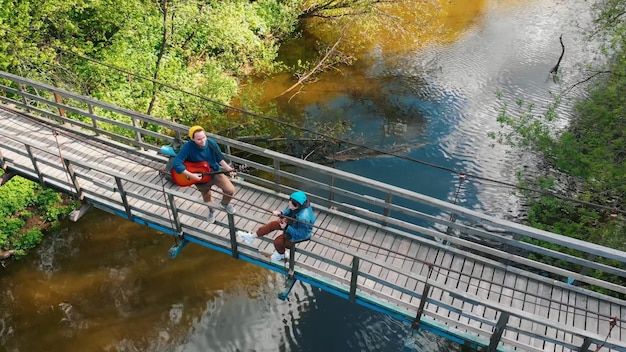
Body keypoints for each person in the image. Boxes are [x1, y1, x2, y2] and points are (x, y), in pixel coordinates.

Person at [172, 125, 236, 223]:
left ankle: (225, 204)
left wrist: (228, 169)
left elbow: (219, 158)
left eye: (204, 137)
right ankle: (211, 210)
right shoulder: (188, 147)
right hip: (199, 177)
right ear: (192, 139)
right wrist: (191, 175)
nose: (203, 141)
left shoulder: (211, 143)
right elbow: (176, 163)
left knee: (230, 190)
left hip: (214, 172)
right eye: (199, 139)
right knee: (206, 196)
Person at [238, 191, 316, 261]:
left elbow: (301, 234)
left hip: (301, 234)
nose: (290, 207)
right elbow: (290, 210)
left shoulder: (303, 218)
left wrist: (286, 227)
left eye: (292, 206)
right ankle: (251, 237)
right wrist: (281, 213)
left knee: (278, 242)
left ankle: (282, 254)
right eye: (290, 204)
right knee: (273, 224)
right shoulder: (299, 205)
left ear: (297, 206)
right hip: (293, 222)